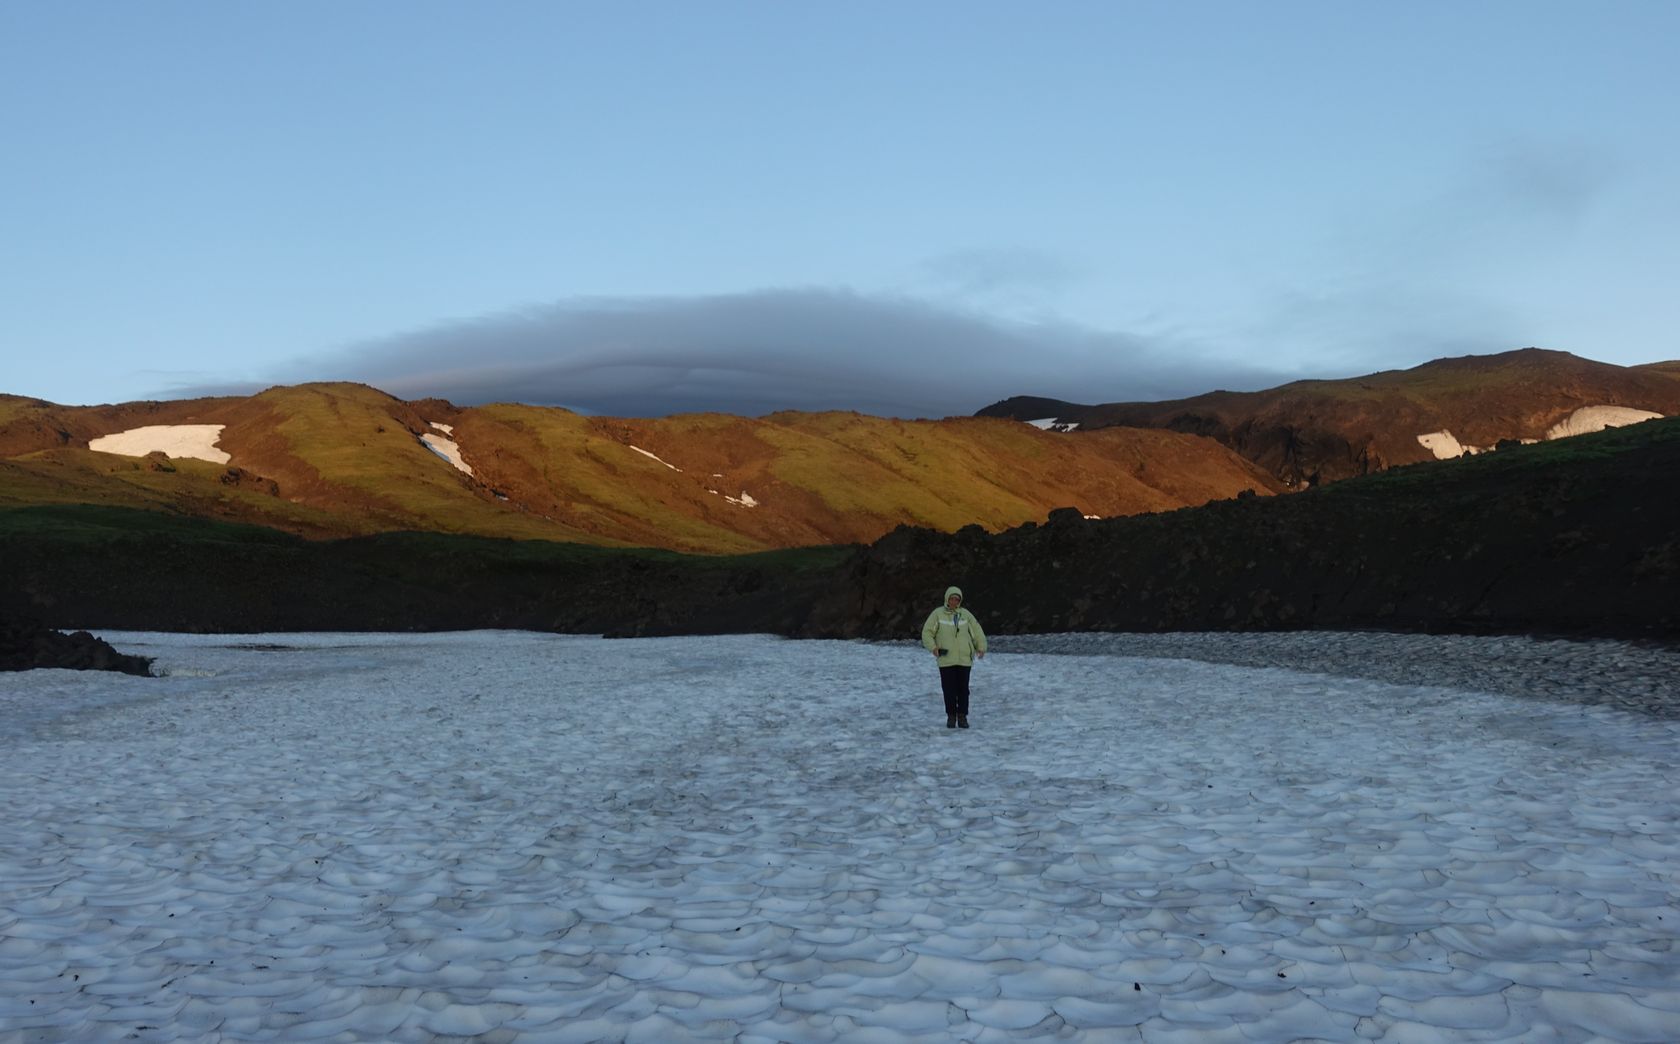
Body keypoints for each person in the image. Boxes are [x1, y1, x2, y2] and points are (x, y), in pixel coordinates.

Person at [920, 585, 987, 729]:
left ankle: (962, 716)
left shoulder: (966, 614)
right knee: (949, 689)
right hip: (946, 660)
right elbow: (927, 632)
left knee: (963, 690)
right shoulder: (938, 614)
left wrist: (981, 647)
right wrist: (933, 648)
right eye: (952, 599)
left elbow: (976, 631)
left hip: (964, 659)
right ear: (947, 599)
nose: (954, 602)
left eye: (957, 599)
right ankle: (951, 716)